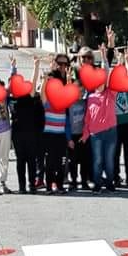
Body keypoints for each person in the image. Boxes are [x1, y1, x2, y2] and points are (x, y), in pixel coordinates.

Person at [81, 42, 117, 193]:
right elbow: (88, 118)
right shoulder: (91, 97)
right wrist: (85, 134)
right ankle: (97, 184)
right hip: (95, 134)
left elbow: (106, 71)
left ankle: (110, 183)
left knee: (109, 160)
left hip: (110, 132)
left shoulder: (111, 93)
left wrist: (103, 56)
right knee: (97, 160)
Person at [10, 55, 44, 194]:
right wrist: (13, 67)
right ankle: (22, 186)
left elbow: (34, 81)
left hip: (30, 133)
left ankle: (31, 185)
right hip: (17, 134)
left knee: (31, 159)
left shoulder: (29, 96)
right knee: (20, 160)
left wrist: (36, 66)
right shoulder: (13, 98)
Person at [41, 55, 74, 195]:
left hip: (61, 135)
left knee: (61, 162)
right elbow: (42, 93)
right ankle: (49, 187)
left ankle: (60, 186)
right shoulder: (47, 102)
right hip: (49, 135)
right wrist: (45, 80)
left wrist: (69, 79)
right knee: (49, 162)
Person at [67, 47, 93, 191]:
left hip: (83, 135)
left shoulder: (85, 102)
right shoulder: (69, 103)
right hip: (72, 135)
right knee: (72, 160)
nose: (79, 91)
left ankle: (84, 181)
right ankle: (73, 181)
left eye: (81, 90)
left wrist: (86, 134)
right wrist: (68, 137)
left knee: (84, 159)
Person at [112, 47, 128, 189]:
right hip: (115, 125)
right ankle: (115, 176)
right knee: (115, 153)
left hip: (127, 124)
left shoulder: (127, 88)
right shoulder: (112, 89)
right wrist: (119, 61)